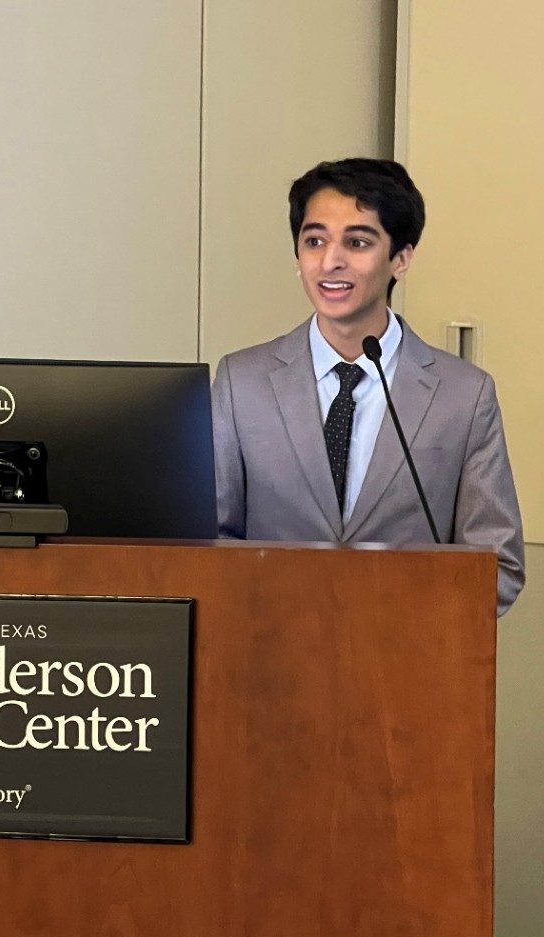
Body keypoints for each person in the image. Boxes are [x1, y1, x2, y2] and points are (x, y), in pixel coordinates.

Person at [211, 158, 524, 615]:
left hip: (406, 659)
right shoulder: (243, 382)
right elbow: (208, 541)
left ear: (401, 258)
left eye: (357, 242)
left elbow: (498, 565)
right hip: (268, 652)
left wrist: (393, 618)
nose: (331, 261)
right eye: (314, 240)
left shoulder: (464, 394)